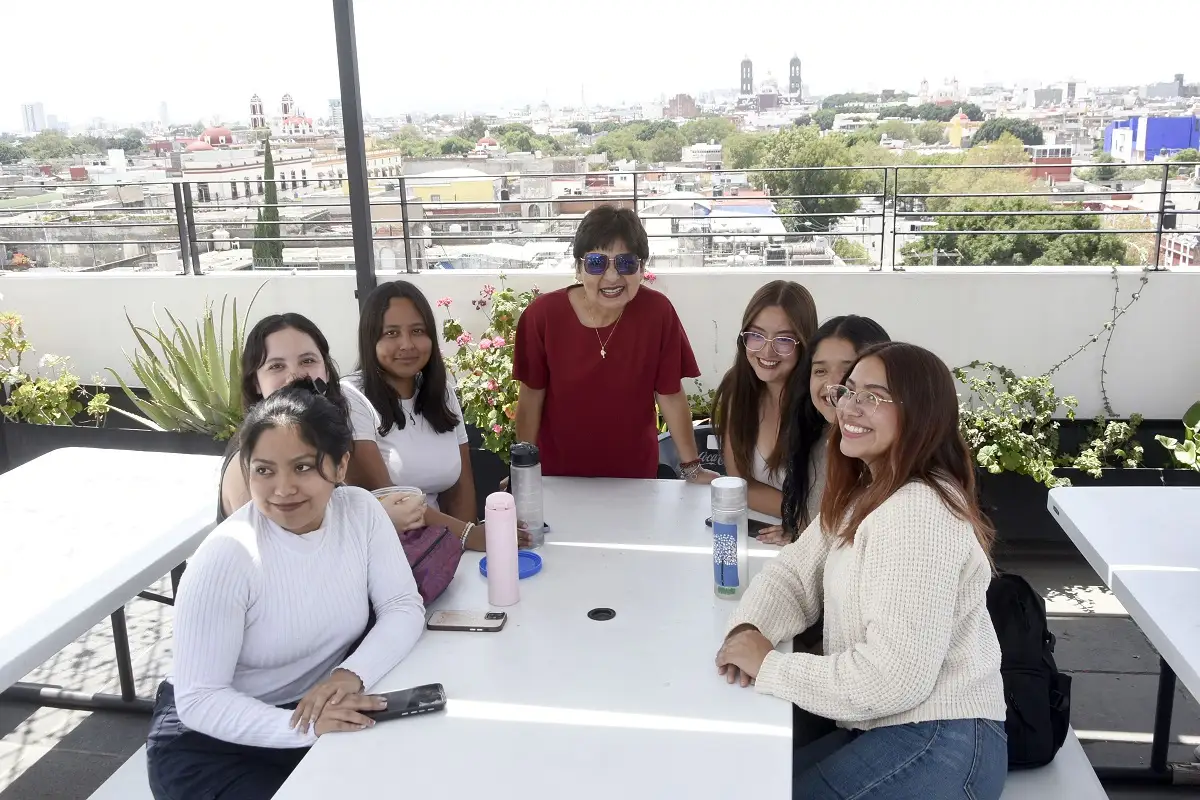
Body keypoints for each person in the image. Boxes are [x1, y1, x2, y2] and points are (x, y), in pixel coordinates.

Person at [714, 342, 1008, 800]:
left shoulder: (918, 512)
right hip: (884, 724)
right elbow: (793, 574)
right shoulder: (866, 494)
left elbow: (893, 678)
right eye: (848, 391)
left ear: (922, 414)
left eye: (875, 395)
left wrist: (770, 666)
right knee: (745, 778)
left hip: (940, 739)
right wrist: (753, 629)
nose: (851, 406)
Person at [147, 379, 426, 800]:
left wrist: (350, 675)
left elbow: (402, 606)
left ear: (341, 465)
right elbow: (200, 699)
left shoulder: (361, 513)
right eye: (264, 470)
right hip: (210, 745)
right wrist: (306, 727)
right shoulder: (227, 557)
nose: (282, 489)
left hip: (313, 711)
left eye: (303, 467)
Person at [513, 205, 709, 480]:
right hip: (559, 477)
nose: (613, 276)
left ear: (642, 267)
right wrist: (523, 470)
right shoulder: (542, 316)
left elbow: (670, 393)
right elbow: (531, 396)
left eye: (626, 263)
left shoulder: (658, 312)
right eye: (597, 263)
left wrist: (692, 468)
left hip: (635, 479)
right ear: (579, 268)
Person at [342, 281, 527, 550]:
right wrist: (468, 536)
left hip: (439, 549)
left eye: (418, 331)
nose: (407, 344)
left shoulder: (443, 394)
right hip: (386, 553)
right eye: (391, 333)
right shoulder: (351, 397)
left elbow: (461, 486)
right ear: (371, 339)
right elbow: (390, 497)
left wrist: (462, 553)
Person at [218, 313, 424, 534]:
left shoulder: (327, 435)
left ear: (326, 371)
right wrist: (380, 522)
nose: (295, 375)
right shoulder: (249, 464)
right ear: (256, 382)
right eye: (276, 366)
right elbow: (284, 557)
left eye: (308, 361)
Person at [760, 314, 891, 546]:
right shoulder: (816, 440)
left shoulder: (892, 466)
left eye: (849, 370)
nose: (833, 385)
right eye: (820, 371)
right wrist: (798, 534)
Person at [700, 281, 818, 519]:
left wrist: (800, 521)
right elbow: (740, 485)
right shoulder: (739, 389)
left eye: (784, 340)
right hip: (770, 529)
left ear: (804, 343)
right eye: (756, 335)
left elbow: (835, 503)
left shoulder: (820, 402)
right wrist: (796, 516)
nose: (767, 351)